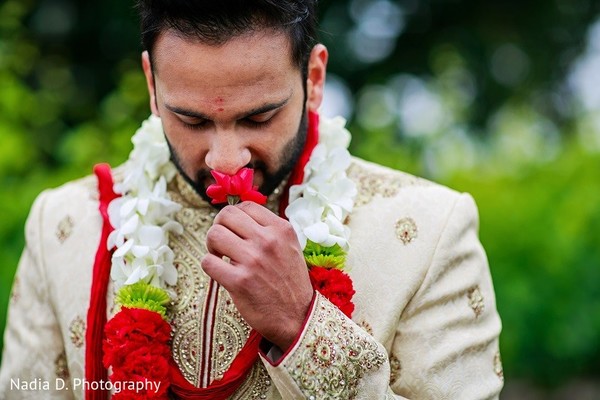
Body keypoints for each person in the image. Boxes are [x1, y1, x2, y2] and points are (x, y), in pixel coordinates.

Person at [0, 0, 503, 398]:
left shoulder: (430, 230)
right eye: (192, 120)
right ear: (153, 85)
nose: (224, 159)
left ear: (314, 77)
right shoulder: (62, 225)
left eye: (258, 117)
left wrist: (305, 325)